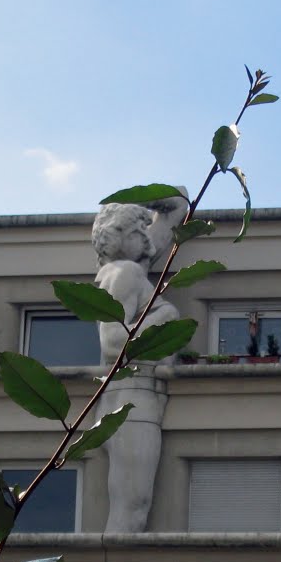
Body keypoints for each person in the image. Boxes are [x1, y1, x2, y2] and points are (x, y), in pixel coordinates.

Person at [91, 195, 186, 532]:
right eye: (137, 232)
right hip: (132, 392)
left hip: (139, 391)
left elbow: (177, 203)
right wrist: (165, 320)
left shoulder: (136, 265)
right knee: (132, 504)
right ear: (118, 238)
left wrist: (130, 201)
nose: (148, 238)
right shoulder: (125, 272)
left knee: (134, 504)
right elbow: (113, 342)